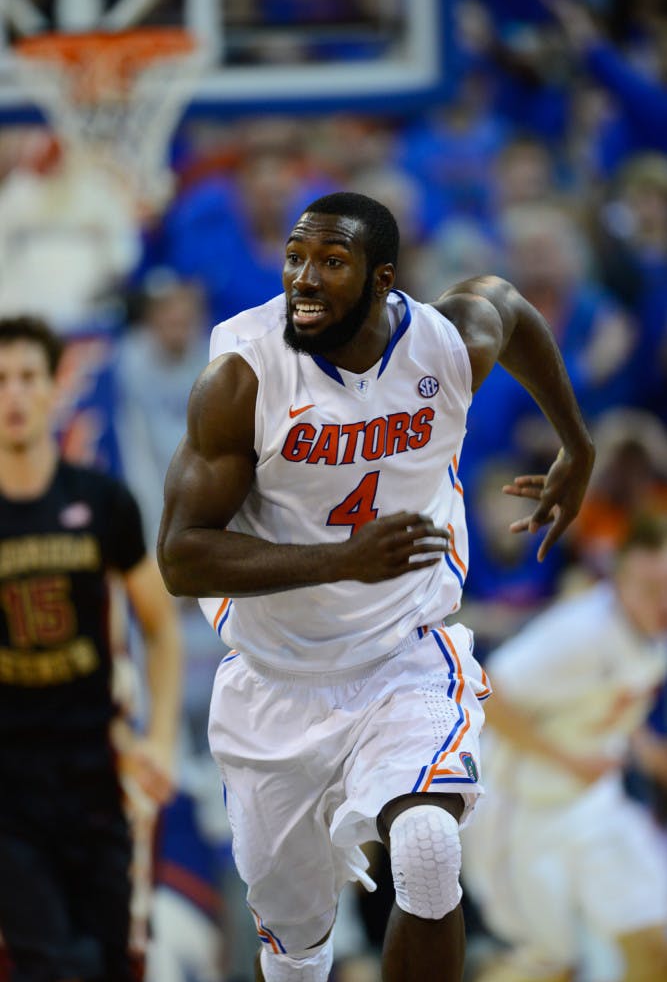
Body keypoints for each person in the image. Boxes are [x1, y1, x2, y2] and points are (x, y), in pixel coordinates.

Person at [157, 191, 595, 982]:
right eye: (295, 258)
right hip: (273, 681)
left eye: (330, 261)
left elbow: (509, 307)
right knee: (295, 945)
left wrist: (576, 442)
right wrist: (339, 560)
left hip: (404, 654)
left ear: (383, 278)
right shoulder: (241, 375)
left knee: (428, 850)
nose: (304, 278)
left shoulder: (446, 343)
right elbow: (181, 557)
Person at [0, 315, 182, 982]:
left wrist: (159, 738)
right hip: (8, 781)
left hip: (96, 772)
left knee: (111, 962)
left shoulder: (103, 502)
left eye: (27, 378)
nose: (13, 395)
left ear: (55, 390)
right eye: (0, 381)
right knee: (52, 964)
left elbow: (160, 628)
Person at [462, 516, 667, 982]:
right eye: (651, 587)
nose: (663, 601)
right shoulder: (580, 634)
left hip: (595, 804)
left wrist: (647, 748)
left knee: (656, 950)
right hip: (523, 814)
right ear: (618, 578)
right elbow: (488, 693)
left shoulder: (653, 631)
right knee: (552, 968)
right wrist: (569, 759)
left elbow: (615, 692)